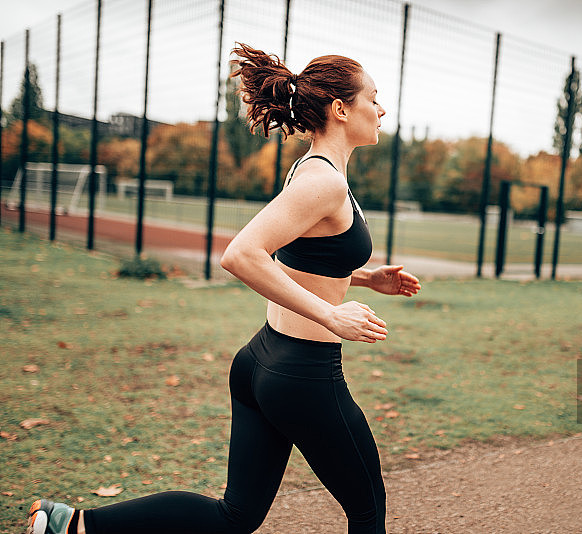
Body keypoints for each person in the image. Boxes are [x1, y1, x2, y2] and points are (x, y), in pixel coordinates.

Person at [26, 43, 421, 534]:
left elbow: (295, 253)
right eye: (374, 98)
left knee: (234, 519)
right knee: (368, 512)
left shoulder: (315, 171)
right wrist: (331, 315)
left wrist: (362, 276)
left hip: (261, 362)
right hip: (303, 375)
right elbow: (241, 255)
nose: (382, 110)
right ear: (342, 109)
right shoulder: (324, 183)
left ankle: (70, 524)